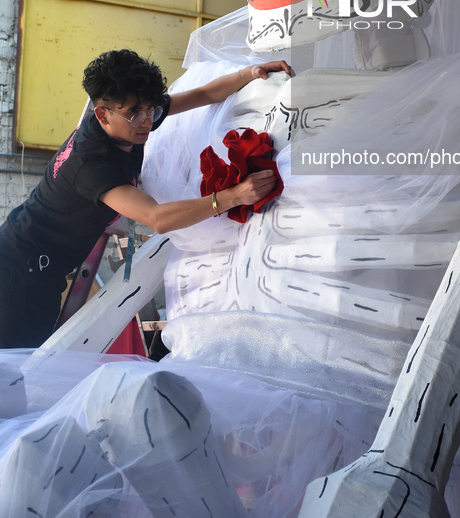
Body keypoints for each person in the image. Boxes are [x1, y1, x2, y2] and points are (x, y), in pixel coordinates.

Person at [0, 48, 291, 349]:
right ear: (102, 114)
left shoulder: (129, 116)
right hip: (21, 270)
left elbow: (203, 95)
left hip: (38, 263)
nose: (145, 121)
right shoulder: (92, 164)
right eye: (134, 113)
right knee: (16, 366)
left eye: (150, 108)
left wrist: (249, 74)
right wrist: (233, 196)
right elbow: (157, 218)